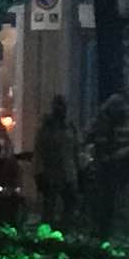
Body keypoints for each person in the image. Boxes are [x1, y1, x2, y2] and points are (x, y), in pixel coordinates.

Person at [85, 91, 129, 237]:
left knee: (121, 204)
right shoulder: (99, 125)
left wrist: (121, 153)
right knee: (101, 203)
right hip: (103, 170)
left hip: (122, 170)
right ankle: (103, 230)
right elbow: (86, 138)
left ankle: (119, 232)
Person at [34, 93, 83, 230]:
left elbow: (76, 150)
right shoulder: (46, 128)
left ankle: (65, 229)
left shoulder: (70, 127)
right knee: (49, 204)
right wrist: (38, 171)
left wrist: (79, 170)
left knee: (70, 204)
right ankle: (48, 231)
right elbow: (39, 150)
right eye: (58, 105)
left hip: (69, 172)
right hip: (51, 172)